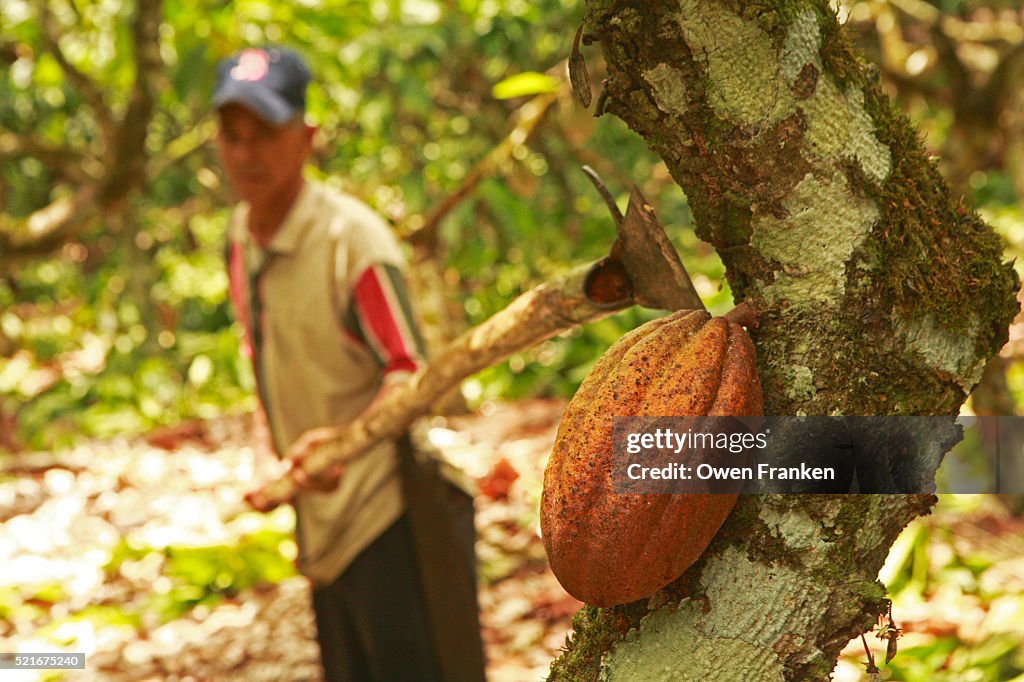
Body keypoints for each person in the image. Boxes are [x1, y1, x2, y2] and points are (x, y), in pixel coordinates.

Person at [211, 45, 485, 682]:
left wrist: (344, 444)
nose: (247, 153)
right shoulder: (240, 236)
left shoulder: (351, 241)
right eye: (232, 135)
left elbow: (408, 376)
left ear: (307, 137)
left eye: (266, 133)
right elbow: (258, 353)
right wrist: (264, 453)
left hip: (391, 516)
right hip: (322, 529)